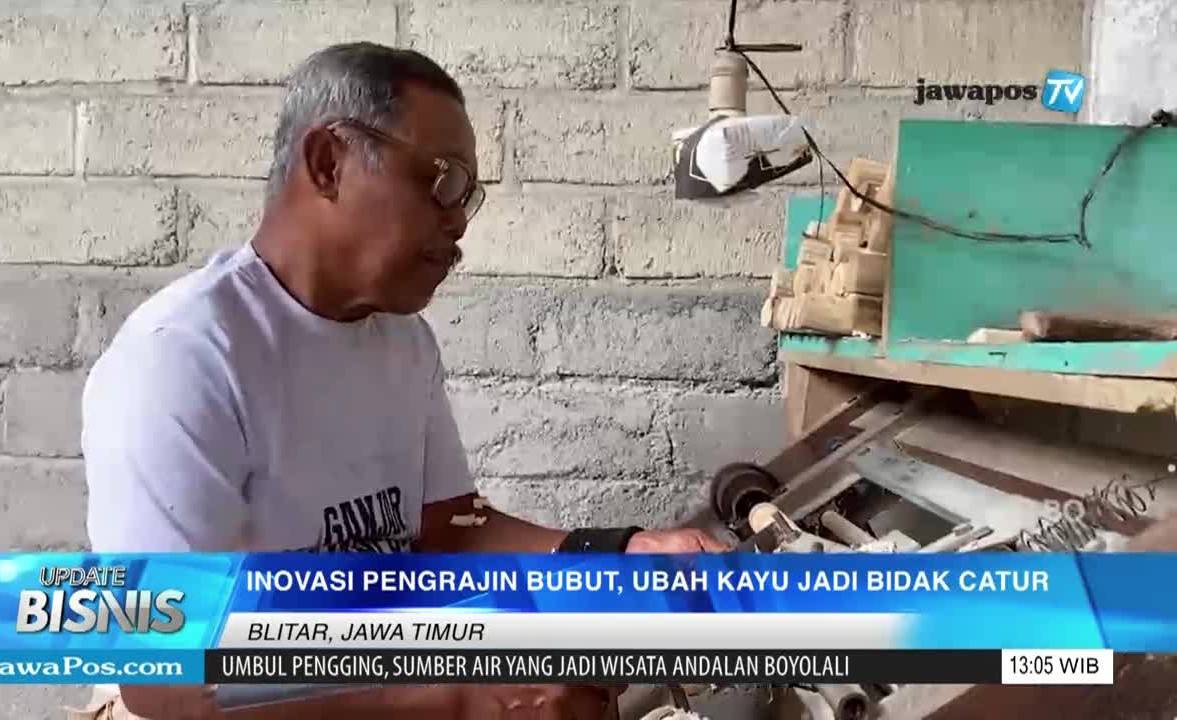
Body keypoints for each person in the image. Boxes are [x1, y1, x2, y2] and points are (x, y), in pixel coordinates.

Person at [78, 42, 729, 720]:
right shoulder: (182, 358)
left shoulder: (402, 342)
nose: (458, 222)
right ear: (328, 163)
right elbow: (165, 682)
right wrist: (462, 696)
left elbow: (451, 528)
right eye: (441, 180)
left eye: (468, 197)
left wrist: (615, 551)